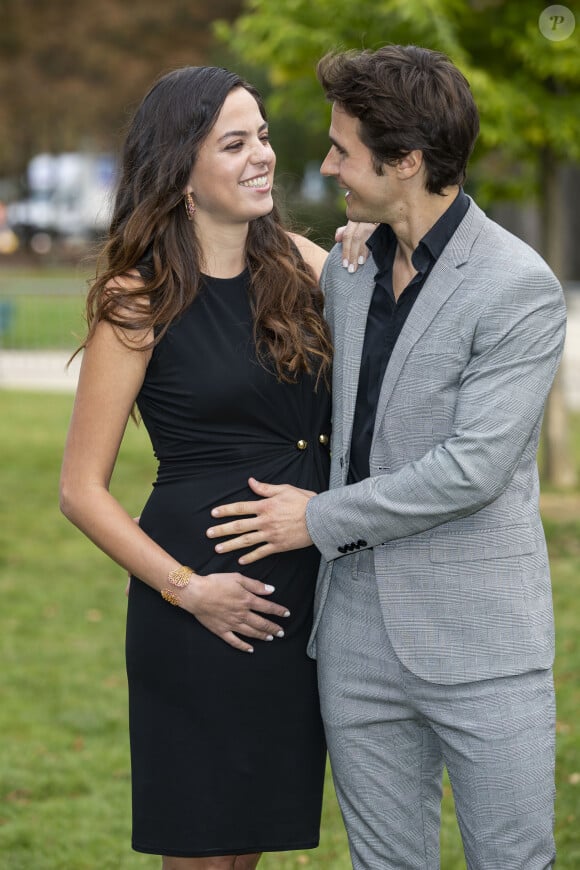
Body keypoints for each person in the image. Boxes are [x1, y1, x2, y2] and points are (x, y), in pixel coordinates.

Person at [205, 45, 568, 869]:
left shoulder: (519, 286)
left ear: (405, 162)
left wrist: (316, 520)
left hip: (483, 645)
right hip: (355, 640)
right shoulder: (350, 267)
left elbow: (472, 470)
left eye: (344, 150)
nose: (327, 163)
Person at [59, 65, 372, 869]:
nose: (261, 154)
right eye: (234, 143)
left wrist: (369, 251)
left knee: (249, 850)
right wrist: (190, 591)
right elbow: (80, 491)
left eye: (262, 135)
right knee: (201, 852)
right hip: (197, 601)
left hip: (297, 604)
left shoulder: (307, 266)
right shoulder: (138, 300)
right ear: (182, 172)